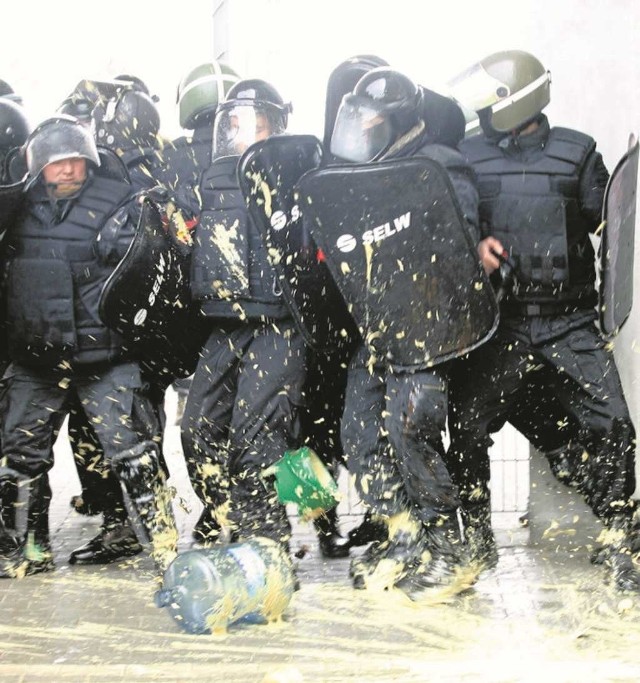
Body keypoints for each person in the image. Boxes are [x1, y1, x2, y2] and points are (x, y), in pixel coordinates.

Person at [445, 49, 640, 591]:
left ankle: (623, 538)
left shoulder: (578, 153)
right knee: (463, 427)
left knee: (613, 424)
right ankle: (475, 538)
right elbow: (453, 227)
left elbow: (614, 223)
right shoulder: (466, 155)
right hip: (497, 326)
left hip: (568, 321)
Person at [323, 67, 483, 598]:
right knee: (359, 434)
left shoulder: (438, 166)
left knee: (410, 432)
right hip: (376, 330)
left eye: (376, 116)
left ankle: (451, 548)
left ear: (401, 120)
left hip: (426, 329)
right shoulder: (362, 169)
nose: (365, 123)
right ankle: (405, 532)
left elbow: (458, 238)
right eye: (361, 114)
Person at [0, 115, 177, 578]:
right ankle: (23, 549)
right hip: (35, 355)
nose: (68, 169)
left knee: (132, 450)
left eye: (76, 160)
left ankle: (162, 543)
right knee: (20, 454)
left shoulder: (118, 201)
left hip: (105, 356)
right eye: (57, 162)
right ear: (38, 165)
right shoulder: (12, 205)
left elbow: (146, 276)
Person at [181, 78, 305, 555]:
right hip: (226, 321)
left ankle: (267, 546)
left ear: (275, 125)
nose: (243, 131)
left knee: (258, 438)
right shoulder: (210, 177)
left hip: (281, 325)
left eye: (254, 123)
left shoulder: (296, 168)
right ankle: (224, 512)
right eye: (234, 123)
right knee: (197, 429)